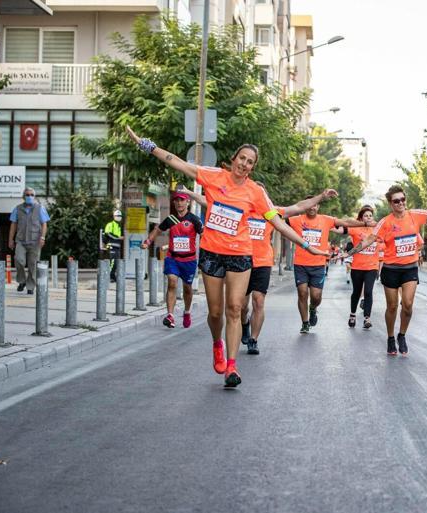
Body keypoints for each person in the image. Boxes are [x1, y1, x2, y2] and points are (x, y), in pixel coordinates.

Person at [126, 126, 327, 387]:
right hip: (212, 254)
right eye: (242, 158)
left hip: (240, 255)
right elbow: (176, 162)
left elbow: (278, 222)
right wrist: (147, 145)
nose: (244, 164)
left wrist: (306, 245)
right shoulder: (213, 177)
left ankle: (232, 366)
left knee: (235, 308)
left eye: (250, 162)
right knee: (216, 313)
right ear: (234, 159)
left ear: (252, 167)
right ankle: (216, 343)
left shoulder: (255, 193)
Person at [182, 184, 339, 355]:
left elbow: (299, 207)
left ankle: (253, 340)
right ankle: (244, 324)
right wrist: (190, 193)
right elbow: (210, 201)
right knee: (241, 306)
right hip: (242, 261)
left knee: (258, 301)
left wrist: (321, 196)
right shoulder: (241, 208)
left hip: (263, 262)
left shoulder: (272, 212)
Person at [348, 185, 427, 355]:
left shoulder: (414, 215)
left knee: (408, 305)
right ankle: (390, 338)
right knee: (392, 306)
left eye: (403, 199)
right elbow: (368, 240)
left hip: (409, 268)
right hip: (391, 269)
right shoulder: (385, 222)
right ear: (390, 203)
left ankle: (402, 335)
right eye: (396, 201)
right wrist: (348, 253)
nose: (401, 203)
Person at [286, 201, 367, 334]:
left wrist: (364, 223)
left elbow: (345, 222)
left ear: (318, 207)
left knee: (316, 296)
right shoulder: (296, 219)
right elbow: (277, 219)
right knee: (302, 293)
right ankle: (305, 323)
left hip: (318, 264)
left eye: (315, 205)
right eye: (309, 205)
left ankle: (313, 308)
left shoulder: (326, 220)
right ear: (304, 207)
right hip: (300, 264)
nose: (312, 207)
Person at [142, 190, 203, 329]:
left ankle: (187, 312)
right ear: (174, 203)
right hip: (173, 258)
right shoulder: (171, 219)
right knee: (172, 282)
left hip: (189, 260)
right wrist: (148, 241)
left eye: (182, 200)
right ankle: (170, 315)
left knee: (188, 289)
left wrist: (207, 253)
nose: (179, 203)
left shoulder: (194, 219)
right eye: (177, 200)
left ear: (188, 202)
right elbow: (157, 230)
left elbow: (204, 234)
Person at [340, 205, 380, 330]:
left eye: (370, 215)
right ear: (361, 218)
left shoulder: (377, 229)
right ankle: (352, 314)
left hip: (372, 267)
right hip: (357, 267)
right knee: (356, 292)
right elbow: (340, 228)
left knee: (368, 292)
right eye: (366, 216)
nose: (368, 218)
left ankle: (367, 318)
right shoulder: (356, 229)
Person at [8, 187, 49, 295]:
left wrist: (43, 237)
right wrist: (10, 240)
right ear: (23, 196)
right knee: (19, 260)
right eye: (27, 194)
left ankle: (30, 286)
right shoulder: (17, 209)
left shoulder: (40, 208)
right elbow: (13, 225)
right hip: (21, 241)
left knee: (33, 265)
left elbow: (44, 224)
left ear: (34, 197)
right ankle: (22, 281)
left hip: (35, 241)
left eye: (31, 195)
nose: (29, 196)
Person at [103, 210, 124, 282]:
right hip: (111, 246)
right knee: (112, 262)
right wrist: (118, 237)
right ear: (114, 216)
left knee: (116, 262)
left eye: (120, 216)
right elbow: (108, 234)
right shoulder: (110, 224)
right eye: (117, 216)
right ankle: (110, 277)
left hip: (117, 247)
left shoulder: (118, 225)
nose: (119, 217)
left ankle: (113, 276)